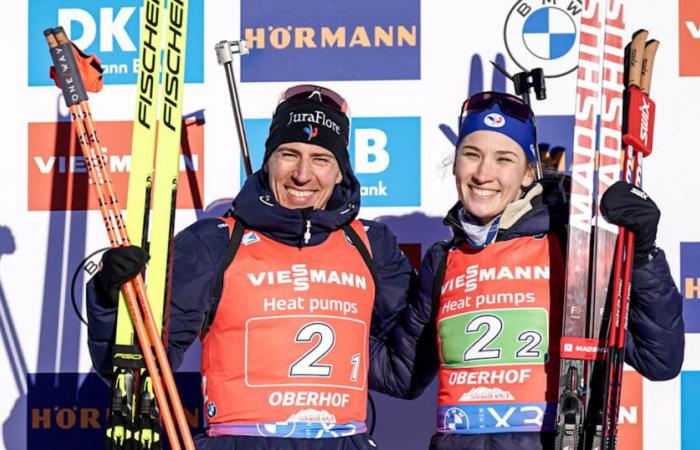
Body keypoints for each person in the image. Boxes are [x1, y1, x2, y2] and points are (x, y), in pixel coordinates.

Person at [86, 84, 427, 449]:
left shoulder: (371, 245)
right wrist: (111, 296)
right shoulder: (215, 242)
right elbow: (138, 369)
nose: (302, 174)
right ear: (269, 161)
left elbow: (401, 372)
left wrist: (441, 286)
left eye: (321, 159)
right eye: (289, 154)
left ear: (341, 172)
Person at [408, 91, 685, 450]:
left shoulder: (571, 246)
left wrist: (643, 256)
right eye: (471, 155)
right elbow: (403, 371)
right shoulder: (443, 260)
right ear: (456, 163)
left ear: (527, 173)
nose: (482, 173)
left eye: (503, 159)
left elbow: (660, 358)